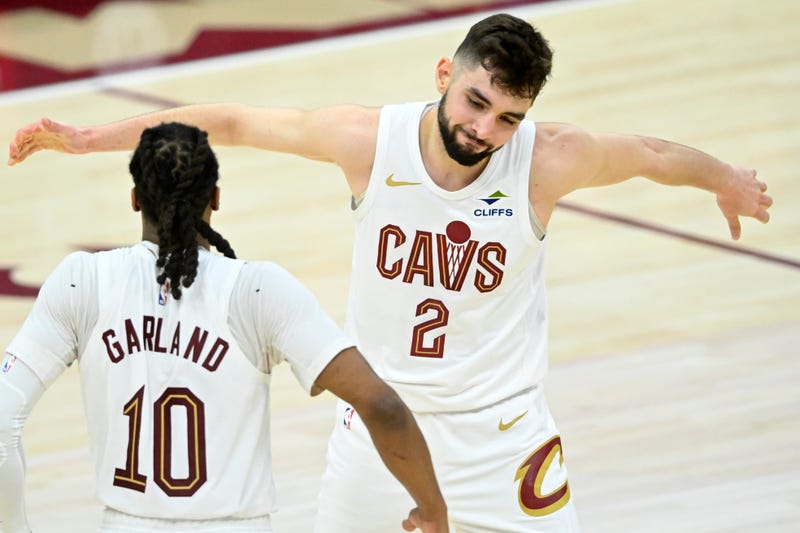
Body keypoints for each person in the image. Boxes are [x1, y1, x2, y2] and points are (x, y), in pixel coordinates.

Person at [6, 12, 773, 533]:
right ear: (445, 72)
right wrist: (84, 139)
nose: (485, 130)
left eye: (507, 116)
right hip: (378, 430)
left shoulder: (546, 159)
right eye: (475, 102)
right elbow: (232, 121)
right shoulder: (369, 141)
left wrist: (725, 180)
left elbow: (653, 154)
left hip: (504, 437)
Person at [0, 122, 449, 533]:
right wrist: (433, 509)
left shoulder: (82, 282)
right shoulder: (257, 291)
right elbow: (382, 406)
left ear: (135, 198)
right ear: (215, 197)